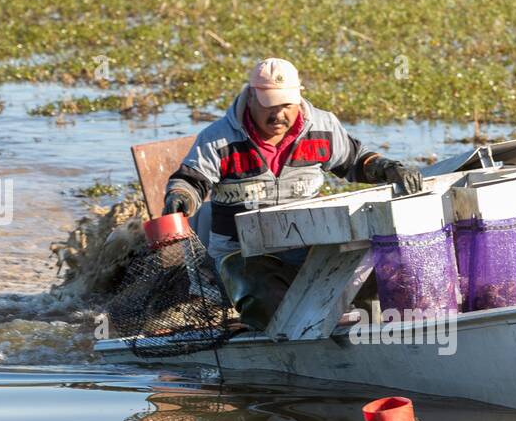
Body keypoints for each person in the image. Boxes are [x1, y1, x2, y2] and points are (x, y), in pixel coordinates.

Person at [162, 58, 424, 327]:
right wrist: (180, 197)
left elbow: (356, 161)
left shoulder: (322, 126)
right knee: (267, 299)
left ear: (298, 97)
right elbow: (191, 180)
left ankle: (372, 335)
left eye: (286, 105)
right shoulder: (217, 138)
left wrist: (389, 168)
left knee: (379, 273)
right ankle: (275, 338)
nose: (278, 116)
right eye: (269, 106)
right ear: (251, 96)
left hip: (311, 246)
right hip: (242, 254)